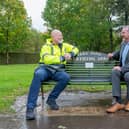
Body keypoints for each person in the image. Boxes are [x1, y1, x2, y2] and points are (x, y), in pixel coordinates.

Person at [26, 29, 79, 120]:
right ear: (53, 37)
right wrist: (62, 58)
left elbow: (76, 49)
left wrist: (71, 53)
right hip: (45, 69)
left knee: (66, 77)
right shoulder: (46, 46)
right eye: (59, 36)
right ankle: (30, 108)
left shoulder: (65, 45)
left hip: (58, 71)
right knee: (37, 75)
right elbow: (46, 59)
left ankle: (51, 99)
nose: (61, 37)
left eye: (61, 36)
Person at [106, 26, 129, 113]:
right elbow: (120, 52)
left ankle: (128, 102)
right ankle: (118, 102)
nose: (121, 34)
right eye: (121, 32)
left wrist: (121, 68)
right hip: (123, 70)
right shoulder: (123, 43)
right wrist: (113, 54)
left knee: (128, 76)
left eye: (123, 32)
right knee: (114, 71)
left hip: (127, 71)